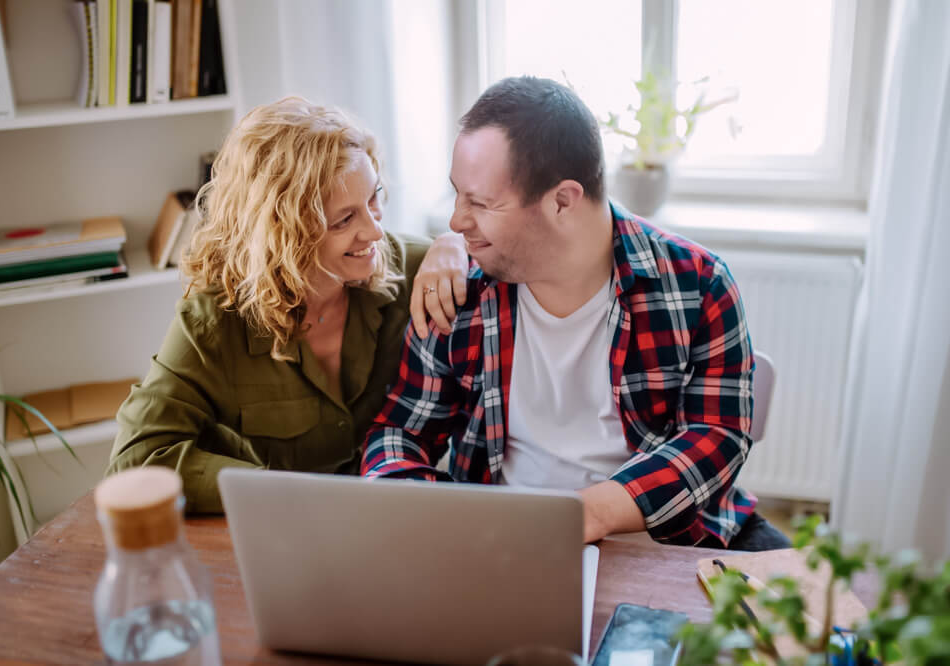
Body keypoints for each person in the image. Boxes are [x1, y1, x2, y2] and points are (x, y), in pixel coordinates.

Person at [361, 77, 789, 550]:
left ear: (562, 200)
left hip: (666, 539)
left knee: (816, 614)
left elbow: (717, 436)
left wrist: (588, 515)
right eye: (457, 195)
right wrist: (435, 514)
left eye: (480, 203)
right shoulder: (459, 291)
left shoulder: (699, 284)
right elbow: (401, 433)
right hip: (500, 546)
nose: (457, 221)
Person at [108, 97, 468, 513]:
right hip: (281, 532)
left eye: (375, 198)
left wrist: (453, 242)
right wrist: (279, 493)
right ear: (284, 233)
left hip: (393, 524)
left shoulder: (411, 269)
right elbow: (136, 461)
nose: (374, 231)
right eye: (343, 220)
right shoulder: (214, 320)